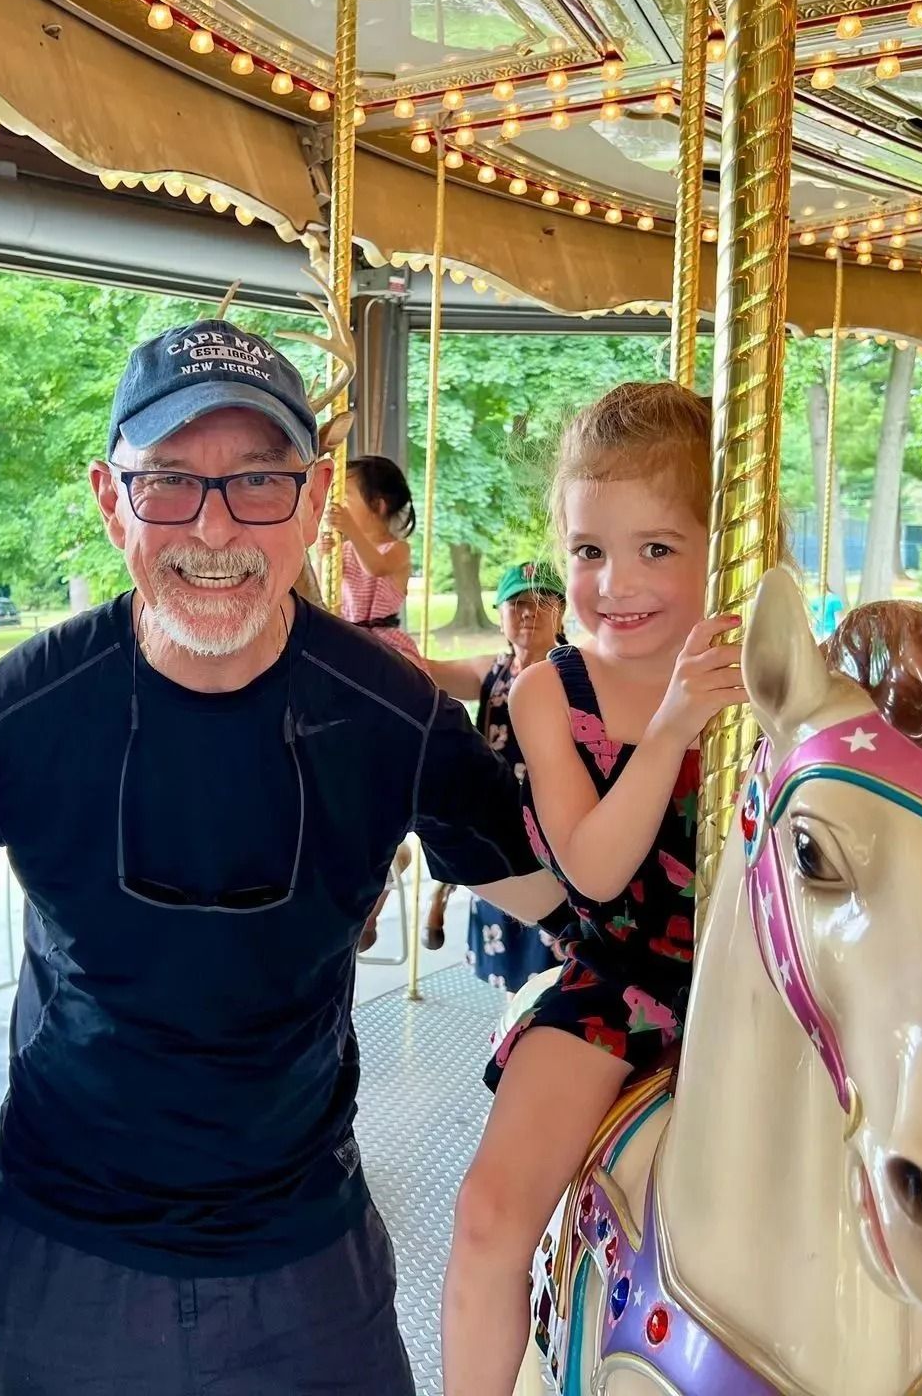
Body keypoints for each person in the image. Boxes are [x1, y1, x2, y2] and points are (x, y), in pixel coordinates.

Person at [0, 316, 562, 1395]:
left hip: (307, 1257)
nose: (215, 528)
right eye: (169, 481)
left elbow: (565, 897)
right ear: (108, 497)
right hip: (70, 1260)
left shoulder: (389, 714)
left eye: (259, 482)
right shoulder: (21, 710)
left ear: (313, 504)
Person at [440, 382, 746, 1396]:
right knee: (488, 1215)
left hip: (759, 984)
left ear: (729, 543)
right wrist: (672, 730)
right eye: (589, 551)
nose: (616, 581)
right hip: (621, 983)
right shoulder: (548, 693)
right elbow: (597, 868)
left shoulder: (772, 679)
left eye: (658, 548)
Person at [421, 560, 572, 990]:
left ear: (560, 612)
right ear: (501, 612)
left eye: (543, 602)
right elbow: (421, 669)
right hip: (501, 819)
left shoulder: (578, 672)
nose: (529, 612)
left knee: (556, 938)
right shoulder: (491, 671)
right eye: (517, 603)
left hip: (556, 820)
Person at [322, 452, 423, 665]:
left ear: (378, 505)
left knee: (397, 676)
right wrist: (325, 557)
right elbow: (323, 592)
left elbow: (376, 567)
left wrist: (350, 529)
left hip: (386, 643)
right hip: (350, 635)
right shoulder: (346, 549)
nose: (339, 505)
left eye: (345, 497)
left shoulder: (398, 549)